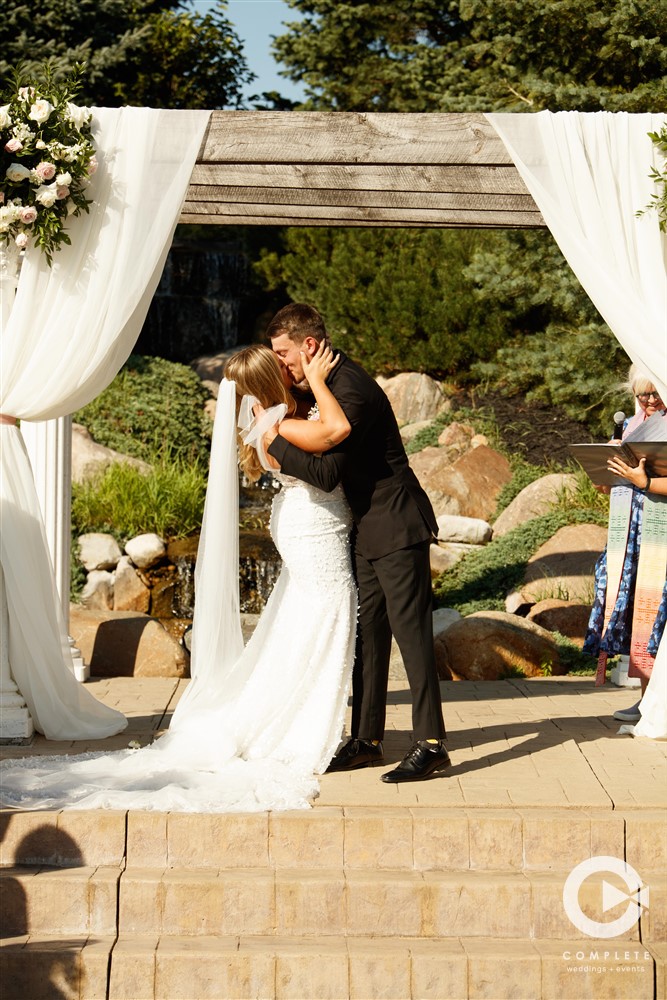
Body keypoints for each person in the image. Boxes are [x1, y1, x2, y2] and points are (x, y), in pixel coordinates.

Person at [0, 345, 358, 812]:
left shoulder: (262, 423)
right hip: (311, 531)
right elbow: (337, 432)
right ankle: (295, 725)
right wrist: (319, 382)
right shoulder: (278, 424)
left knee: (302, 621)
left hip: (304, 526)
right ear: (271, 384)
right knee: (324, 615)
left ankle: (292, 712)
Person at [265, 303, 449, 783]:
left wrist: (272, 441)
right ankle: (366, 739)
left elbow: (327, 473)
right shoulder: (327, 387)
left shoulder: (353, 388)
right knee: (368, 636)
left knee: (412, 638)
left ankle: (431, 744)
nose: (280, 363)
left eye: (284, 353)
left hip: (396, 523)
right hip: (367, 527)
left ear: (309, 346)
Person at [583, 366, 667, 728]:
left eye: (655, 393)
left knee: (655, 617)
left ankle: (657, 702)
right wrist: (605, 477)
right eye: (642, 394)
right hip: (629, 536)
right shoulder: (632, 426)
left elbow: (648, 482)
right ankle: (646, 698)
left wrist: (645, 481)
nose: (649, 401)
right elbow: (617, 483)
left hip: (659, 536)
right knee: (636, 614)